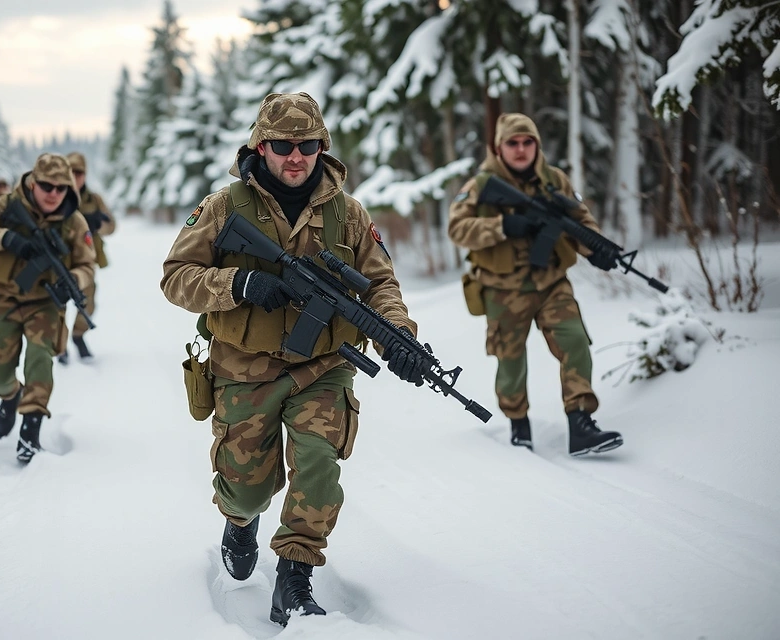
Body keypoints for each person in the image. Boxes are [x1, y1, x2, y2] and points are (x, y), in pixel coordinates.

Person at [161, 92, 420, 626]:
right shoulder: (223, 207)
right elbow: (175, 278)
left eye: (307, 145)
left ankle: (294, 579)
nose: (295, 156)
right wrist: (241, 283)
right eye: (282, 145)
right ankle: (239, 522)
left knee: (319, 468)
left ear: (322, 147)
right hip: (242, 369)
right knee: (247, 487)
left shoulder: (348, 215)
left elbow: (379, 284)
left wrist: (399, 336)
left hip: (323, 369)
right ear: (262, 144)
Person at [447, 112, 623, 456]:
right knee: (510, 360)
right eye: (512, 143)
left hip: (552, 283)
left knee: (574, 341)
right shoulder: (481, 186)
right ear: (499, 147)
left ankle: (581, 423)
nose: (521, 149)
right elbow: (457, 229)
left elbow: (580, 222)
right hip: (503, 287)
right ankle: (519, 425)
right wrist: (502, 226)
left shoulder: (555, 181)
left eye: (528, 142)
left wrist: (596, 249)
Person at [0, 154, 96, 463]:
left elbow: (87, 265)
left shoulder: (73, 220)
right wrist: (5, 238)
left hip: (45, 303)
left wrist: (74, 279)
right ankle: (10, 396)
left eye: (61, 188)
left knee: (40, 358)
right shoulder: (7, 206)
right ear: (33, 182)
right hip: (2, 298)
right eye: (46, 186)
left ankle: (30, 428)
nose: (53, 193)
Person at [57, 152, 116, 364]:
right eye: (71, 171)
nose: (75, 176)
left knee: (88, 302)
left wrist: (97, 224)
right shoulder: (57, 195)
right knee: (58, 303)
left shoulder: (94, 199)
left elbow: (112, 225)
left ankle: (78, 335)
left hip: (86, 258)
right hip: (60, 258)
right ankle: (60, 345)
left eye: (79, 172)